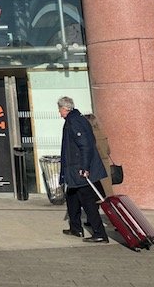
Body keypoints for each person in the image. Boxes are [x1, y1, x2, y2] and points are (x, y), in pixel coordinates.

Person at [57, 96, 109, 243]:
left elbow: (85, 145)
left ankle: (100, 233)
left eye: (60, 110)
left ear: (64, 108)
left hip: (79, 170)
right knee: (71, 197)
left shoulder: (74, 121)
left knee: (88, 202)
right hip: (74, 169)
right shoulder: (76, 119)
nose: (59, 113)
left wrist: (84, 167)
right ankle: (75, 228)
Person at [85, 113, 113, 197]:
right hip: (105, 163)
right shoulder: (101, 133)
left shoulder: (89, 135)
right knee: (107, 190)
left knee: (97, 192)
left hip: (96, 165)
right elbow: (108, 150)